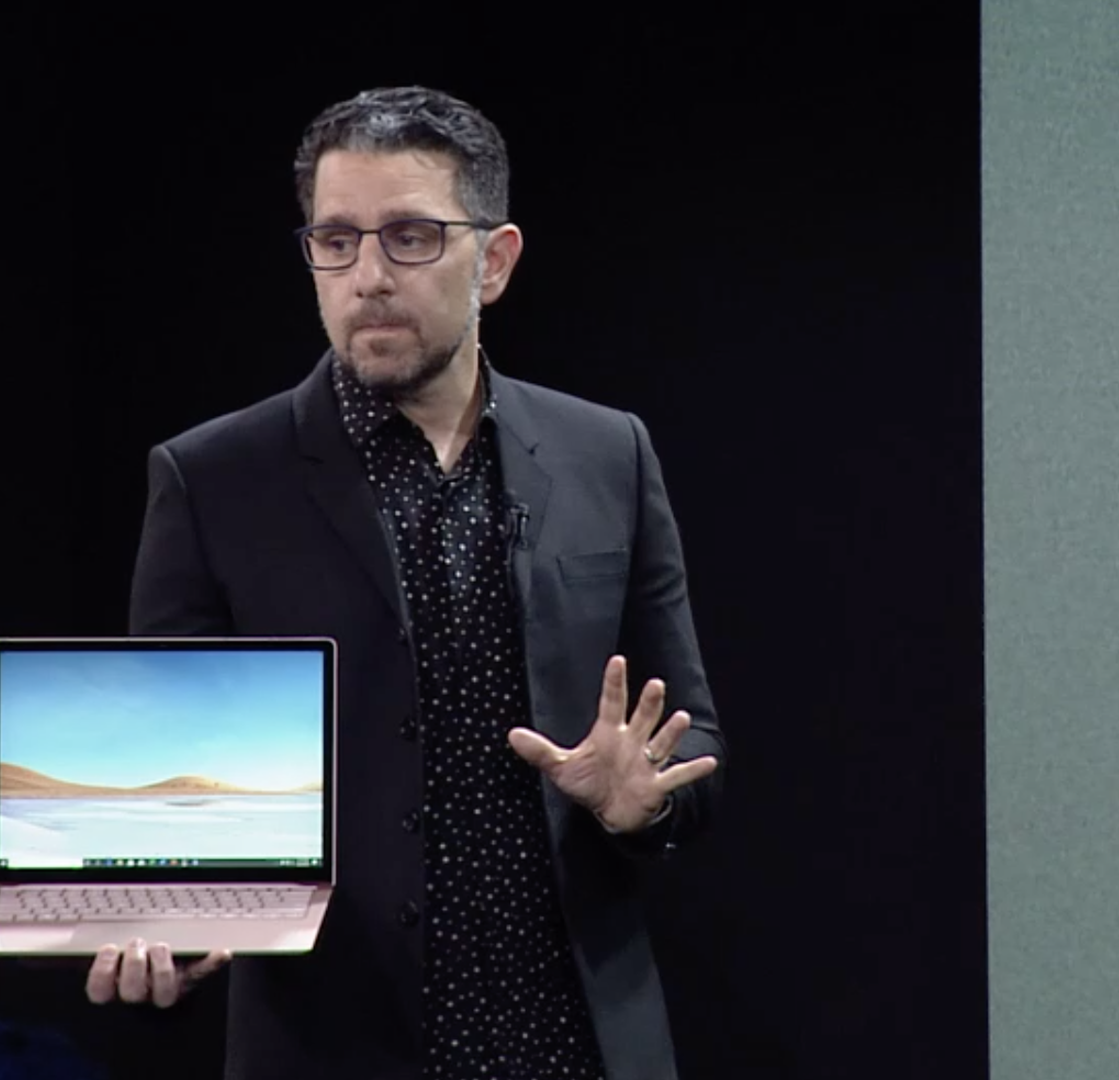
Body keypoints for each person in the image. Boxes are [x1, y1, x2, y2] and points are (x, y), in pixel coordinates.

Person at [83, 85, 726, 1080]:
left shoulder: (608, 454)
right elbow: (165, 781)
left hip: (572, 1041)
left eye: (411, 238)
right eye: (336, 241)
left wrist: (643, 803)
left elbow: (690, 738)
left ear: (494, 261)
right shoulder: (213, 480)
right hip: (331, 1045)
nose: (369, 277)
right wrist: (165, 923)